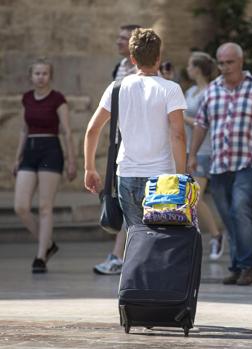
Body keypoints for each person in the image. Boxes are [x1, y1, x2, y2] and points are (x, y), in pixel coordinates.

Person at [189, 42, 252, 286]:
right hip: (219, 163)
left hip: (249, 161)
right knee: (228, 217)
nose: (225, 67)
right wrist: (192, 155)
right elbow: (201, 125)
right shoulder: (212, 90)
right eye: (221, 63)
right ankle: (237, 265)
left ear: (241, 62)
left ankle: (248, 266)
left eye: (229, 62)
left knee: (240, 208)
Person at [84, 28, 187, 229]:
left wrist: (89, 168)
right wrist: (181, 176)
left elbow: (92, 130)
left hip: (127, 175)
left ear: (132, 58)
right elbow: (178, 135)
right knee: (160, 238)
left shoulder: (117, 88)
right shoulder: (170, 89)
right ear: (158, 57)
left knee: (135, 236)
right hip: (162, 176)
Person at [13, 58, 77, 273]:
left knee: (44, 206)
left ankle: (40, 256)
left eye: (45, 73)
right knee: (21, 206)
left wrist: (72, 160)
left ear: (50, 76)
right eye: (37, 73)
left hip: (51, 149)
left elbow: (67, 131)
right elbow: (23, 129)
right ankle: (48, 244)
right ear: (31, 76)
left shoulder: (58, 99)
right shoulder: (27, 98)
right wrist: (17, 157)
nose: (41, 77)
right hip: (30, 149)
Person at [93, 24, 142, 275]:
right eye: (118, 37)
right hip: (120, 139)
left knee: (127, 201)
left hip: (136, 142)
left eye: (124, 39)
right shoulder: (119, 68)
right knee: (121, 199)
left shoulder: (141, 71)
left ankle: (120, 255)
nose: (118, 42)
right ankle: (120, 255)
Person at [184, 51, 224, 260]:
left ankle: (216, 235)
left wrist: (185, 118)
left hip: (205, 151)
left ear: (198, 69)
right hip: (189, 151)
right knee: (187, 198)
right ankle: (193, 240)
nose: (187, 69)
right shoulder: (190, 91)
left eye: (190, 66)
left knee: (194, 197)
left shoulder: (209, 92)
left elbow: (207, 124)